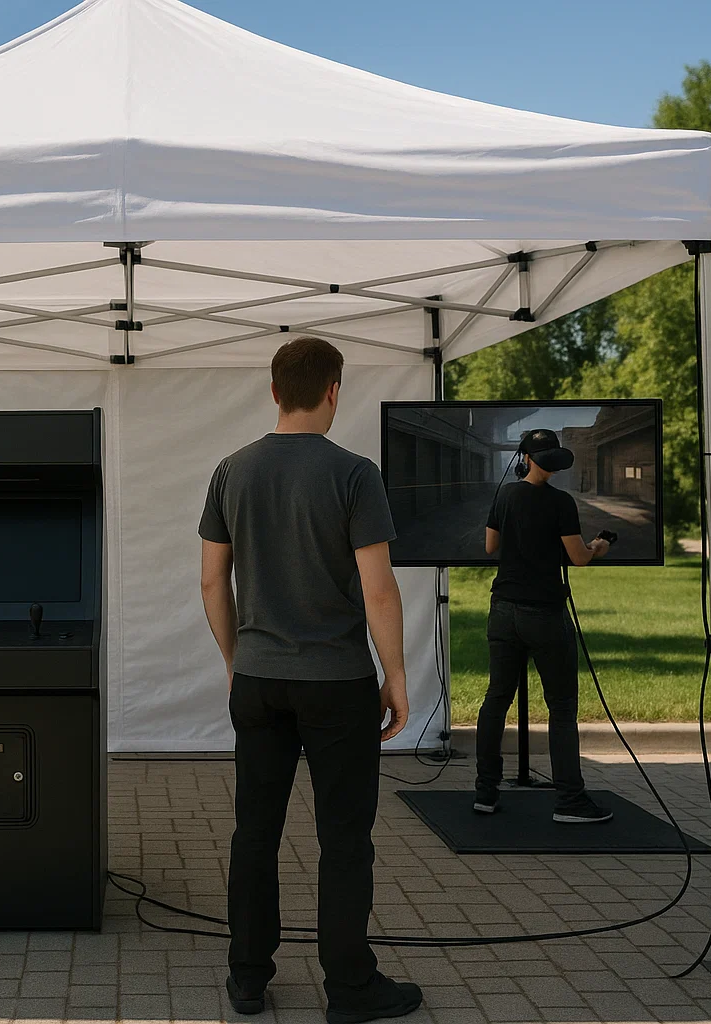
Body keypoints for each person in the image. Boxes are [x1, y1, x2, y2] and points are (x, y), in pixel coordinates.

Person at [199, 337, 423, 1024]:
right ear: (333, 390)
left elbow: (213, 579)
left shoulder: (231, 471)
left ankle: (246, 978)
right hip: (338, 682)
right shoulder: (355, 475)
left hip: (260, 680)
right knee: (345, 838)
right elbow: (379, 590)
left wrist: (239, 661)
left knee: (253, 833)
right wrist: (397, 676)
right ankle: (350, 990)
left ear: (274, 392)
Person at [474, 428, 613, 823]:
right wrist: (599, 547)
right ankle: (570, 802)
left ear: (524, 458)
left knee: (496, 698)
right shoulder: (561, 502)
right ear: (551, 461)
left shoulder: (505, 495)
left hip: (502, 609)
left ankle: (485, 792)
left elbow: (490, 546)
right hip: (545, 615)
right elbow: (579, 558)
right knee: (562, 707)